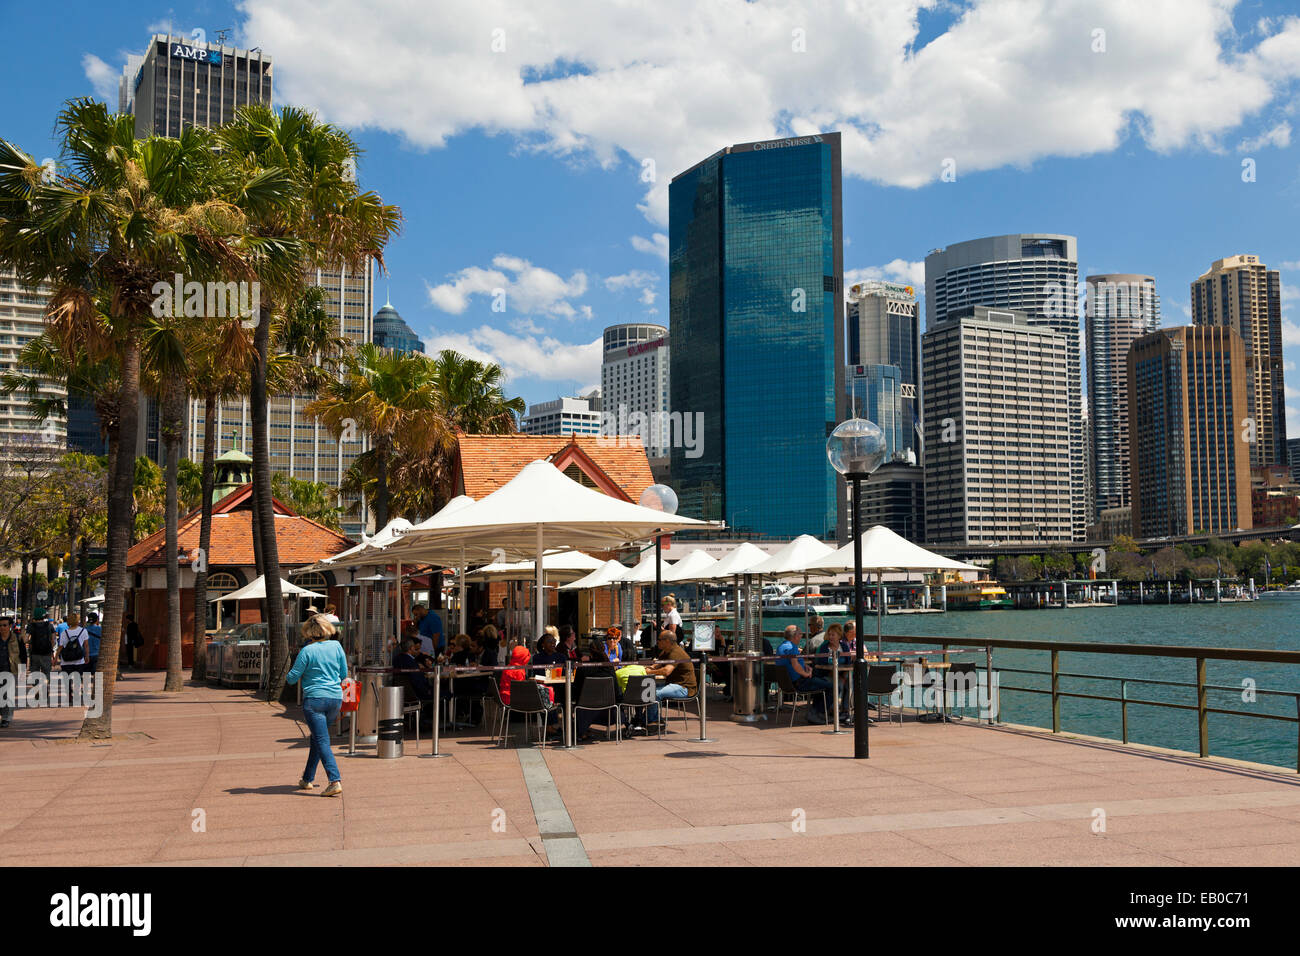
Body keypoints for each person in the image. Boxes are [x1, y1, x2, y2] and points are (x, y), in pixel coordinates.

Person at [285, 614, 348, 796]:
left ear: (308, 632)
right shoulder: (336, 646)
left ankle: (334, 780)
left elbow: (292, 678)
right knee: (317, 739)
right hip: (335, 699)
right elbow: (343, 672)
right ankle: (307, 778)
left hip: (314, 700)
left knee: (321, 740)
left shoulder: (307, 651)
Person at [777, 624, 833, 725]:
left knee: (821, 682)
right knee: (831, 686)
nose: (801, 636)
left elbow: (793, 663)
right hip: (799, 683)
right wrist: (805, 674)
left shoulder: (781, 647)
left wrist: (804, 667)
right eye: (800, 634)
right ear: (794, 636)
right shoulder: (792, 648)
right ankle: (816, 713)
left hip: (786, 684)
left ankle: (816, 712)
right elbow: (794, 664)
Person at [645, 629, 697, 727]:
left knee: (654, 693)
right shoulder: (665, 652)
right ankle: (650, 718)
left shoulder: (676, 653)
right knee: (647, 688)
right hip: (673, 684)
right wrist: (647, 668)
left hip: (684, 687)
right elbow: (657, 665)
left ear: (667, 641)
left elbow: (666, 671)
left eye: (659, 640)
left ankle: (653, 722)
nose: (657, 642)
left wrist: (650, 672)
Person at [814, 622, 851, 724]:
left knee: (849, 683)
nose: (830, 637)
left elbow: (848, 662)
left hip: (840, 674)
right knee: (837, 684)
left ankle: (845, 710)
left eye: (833, 635)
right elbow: (819, 664)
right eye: (829, 634)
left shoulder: (844, 646)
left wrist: (843, 676)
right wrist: (833, 673)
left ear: (839, 636)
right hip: (825, 675)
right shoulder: (824, 647)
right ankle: (832, 710)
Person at [0, 616, 26, 728]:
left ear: (10, 626)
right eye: (0, 625)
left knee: (8, 695)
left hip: (11, 670)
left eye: (5, 625)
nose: (2, 628)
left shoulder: (17, 638)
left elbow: (23, 655)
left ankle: (6, 718)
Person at [26, 607, 54, 682]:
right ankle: (45, 687)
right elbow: (53, 640)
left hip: (34, 653)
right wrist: (51, 648)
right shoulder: (50, 626)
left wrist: (29, 642)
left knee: (35, 673)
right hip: (46, 653)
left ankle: (37, 690)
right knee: (47, 672)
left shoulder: (30, 626)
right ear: (44, 616)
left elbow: (26, 639)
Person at [57, 613, 90, 677]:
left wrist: (55, 658)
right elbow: (86, 645)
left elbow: (60, 647)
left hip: (66, 661)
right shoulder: (83, 631)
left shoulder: (64, 633)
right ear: (77, 621)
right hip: (79, 660)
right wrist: (87, 656)